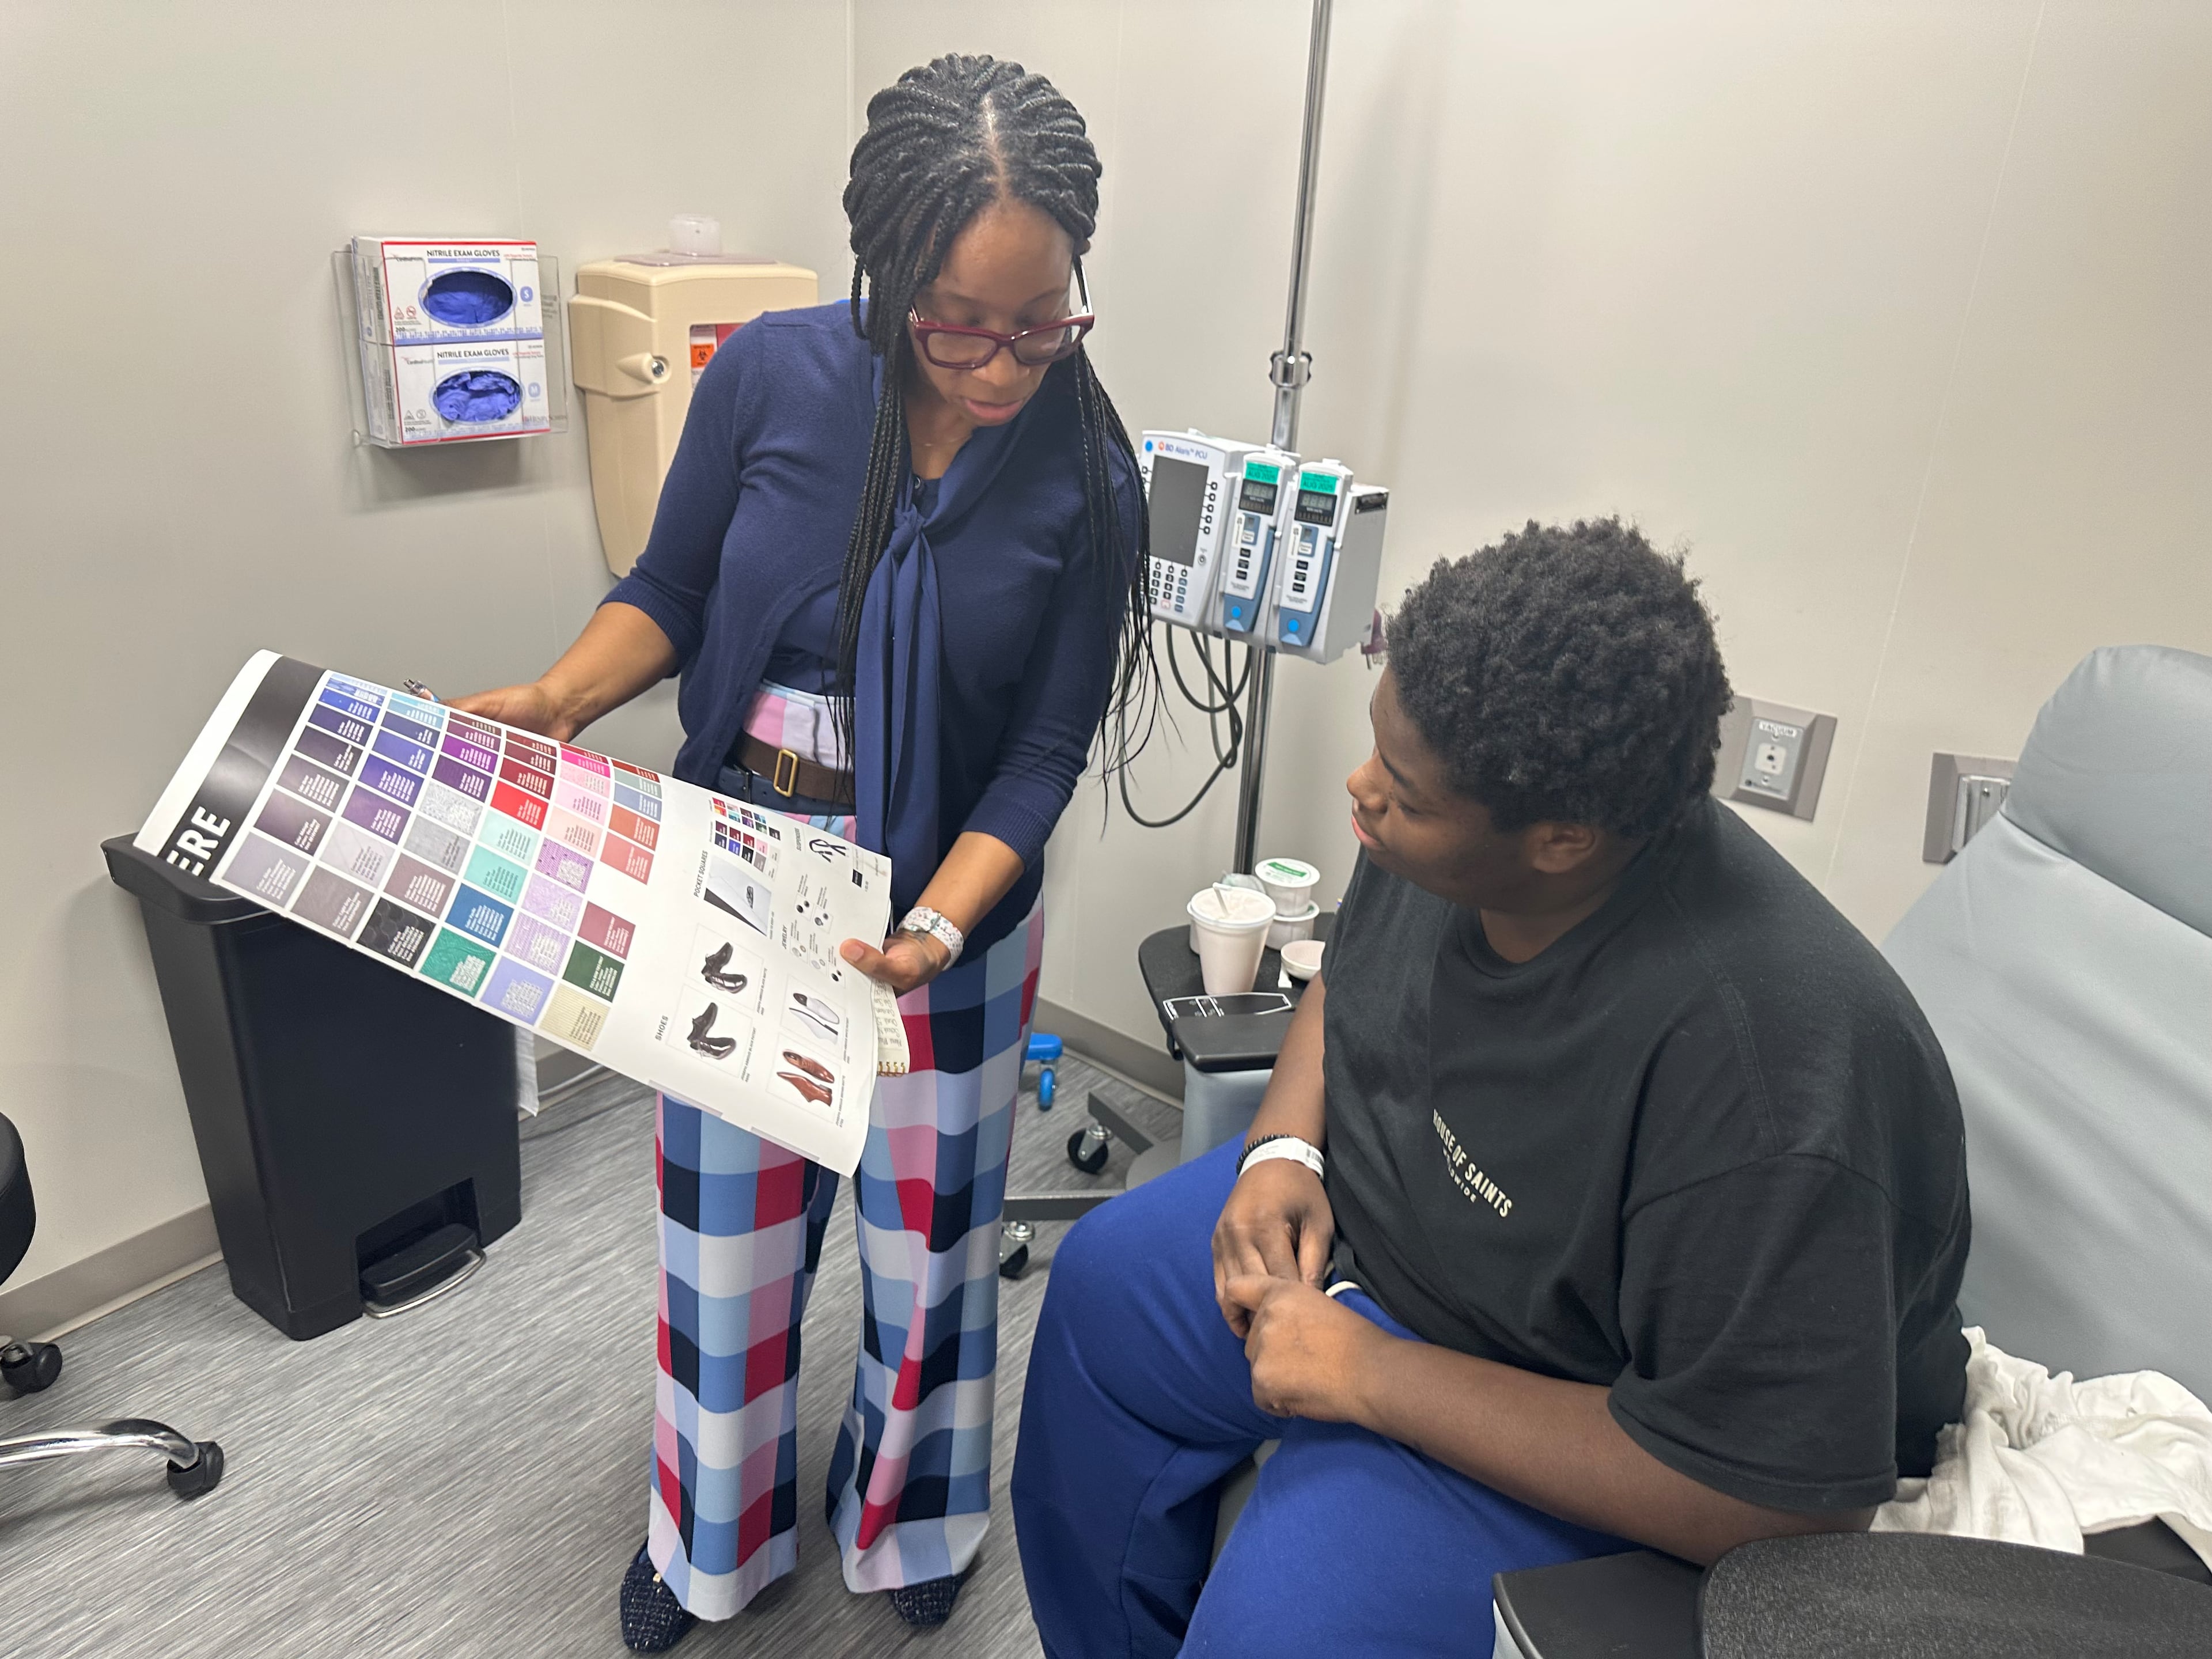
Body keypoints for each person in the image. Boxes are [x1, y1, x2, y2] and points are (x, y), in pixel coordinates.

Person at [459, 55, 1149, 1652]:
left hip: (950, 910)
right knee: (729, 1240)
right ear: (889, 269)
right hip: (744, 882)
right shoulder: (769, 378)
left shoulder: (1092, 478)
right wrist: (564, 695)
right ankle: (709, 1542)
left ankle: (913, 1517)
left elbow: (1042, 755)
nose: (1003, 363)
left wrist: (943, 926)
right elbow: (674, 587)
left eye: (1045, 322)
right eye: (962, 321)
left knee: (935, 1245)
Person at [1012, 520, 1972, 1657]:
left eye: (1403, 792)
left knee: (1278, 1633)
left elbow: (1780, 1501)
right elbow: (1353, 977)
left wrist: (1373, 1376)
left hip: (1566, 1395)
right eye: (1379, 751)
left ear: (1561, 838)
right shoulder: (1449, 831)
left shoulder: (1776, 1085)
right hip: (1382, 1244)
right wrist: (1283, 1150)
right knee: (1099, 1302)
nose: (1360, 793)